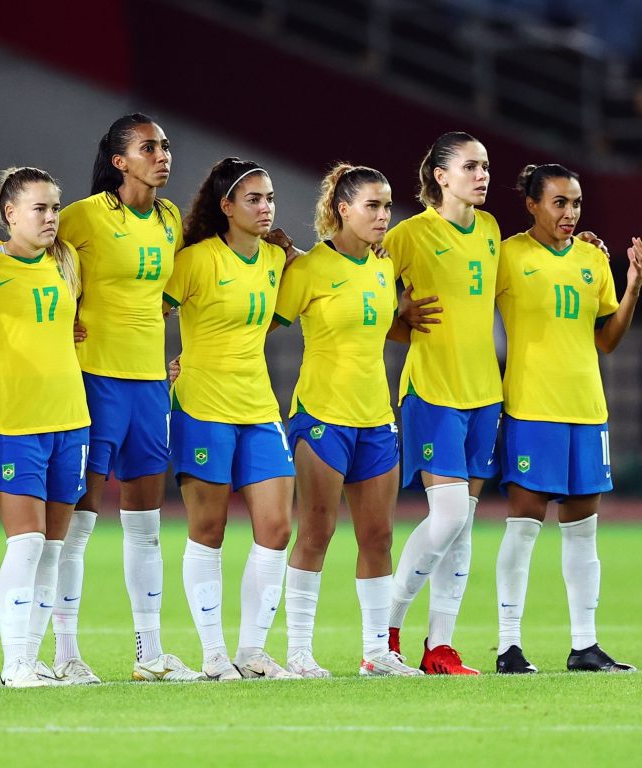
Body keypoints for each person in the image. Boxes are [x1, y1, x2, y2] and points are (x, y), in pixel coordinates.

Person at [53, 113, 203, 683]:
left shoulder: (169, 219)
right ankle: (66, 654)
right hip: (93, 380)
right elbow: (26, 250)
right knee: (80, 517)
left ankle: (149, 654)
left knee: (145, 523)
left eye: (165, 145)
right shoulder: (83, 217)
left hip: (149, 387)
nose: (163, 155)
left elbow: (178, 290)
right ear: (119, 161)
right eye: (149, 147)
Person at [272, 163, 423, 677]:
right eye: (372, 206)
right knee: (315, 532)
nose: (383, 216)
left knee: (378, 538)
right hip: (321, 416)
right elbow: (258, 325)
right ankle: (298, 653)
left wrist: (408, 319)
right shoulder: (308, 268)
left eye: (386, 206)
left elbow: (383, 326)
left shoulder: (384, 268)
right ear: (342, 209)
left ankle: (377, 654)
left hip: (377, 417)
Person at [494, 164, 639, 674]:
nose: (570, 213)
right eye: (559, 202)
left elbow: (605, 339)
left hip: (587, 409)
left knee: (583, 530)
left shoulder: (591, 259)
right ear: (532, 204)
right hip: (532, 408)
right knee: (524, 526)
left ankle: (585, 646)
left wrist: (632, 287)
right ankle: (508, 645)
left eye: (576, 203)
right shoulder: (507, 256)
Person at [161, 157, 296, 680]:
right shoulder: (195, 261)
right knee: (209, 527)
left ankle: (252, 652)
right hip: (202, 406)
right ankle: (215, 654)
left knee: (277, 527)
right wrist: (160, 368)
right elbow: (149, 312)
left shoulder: (275, 260)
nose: (265, 208)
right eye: (254, 199)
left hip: (259, 406)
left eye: (269, 199)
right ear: (226, 207)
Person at [0, 167, 91, 688]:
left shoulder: (66, 263)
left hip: (71, 418)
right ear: (9, 213)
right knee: (26, 543)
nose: (50, 218)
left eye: (54, 208)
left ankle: (34, 657)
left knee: (54, 549)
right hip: (14, 420)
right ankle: (14, 661)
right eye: (39, 208)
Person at [384, 131, 501, 675]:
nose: (482, 176)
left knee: (463, 523)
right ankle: (386, 630)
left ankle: (440, 647)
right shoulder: (408, 235)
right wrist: (398, 318)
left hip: (485, 393)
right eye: (471, 167)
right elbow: (364, 294)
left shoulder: (493, 230)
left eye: (485, 167)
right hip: (432, 389)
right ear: (441, 175)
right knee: (449, 513)